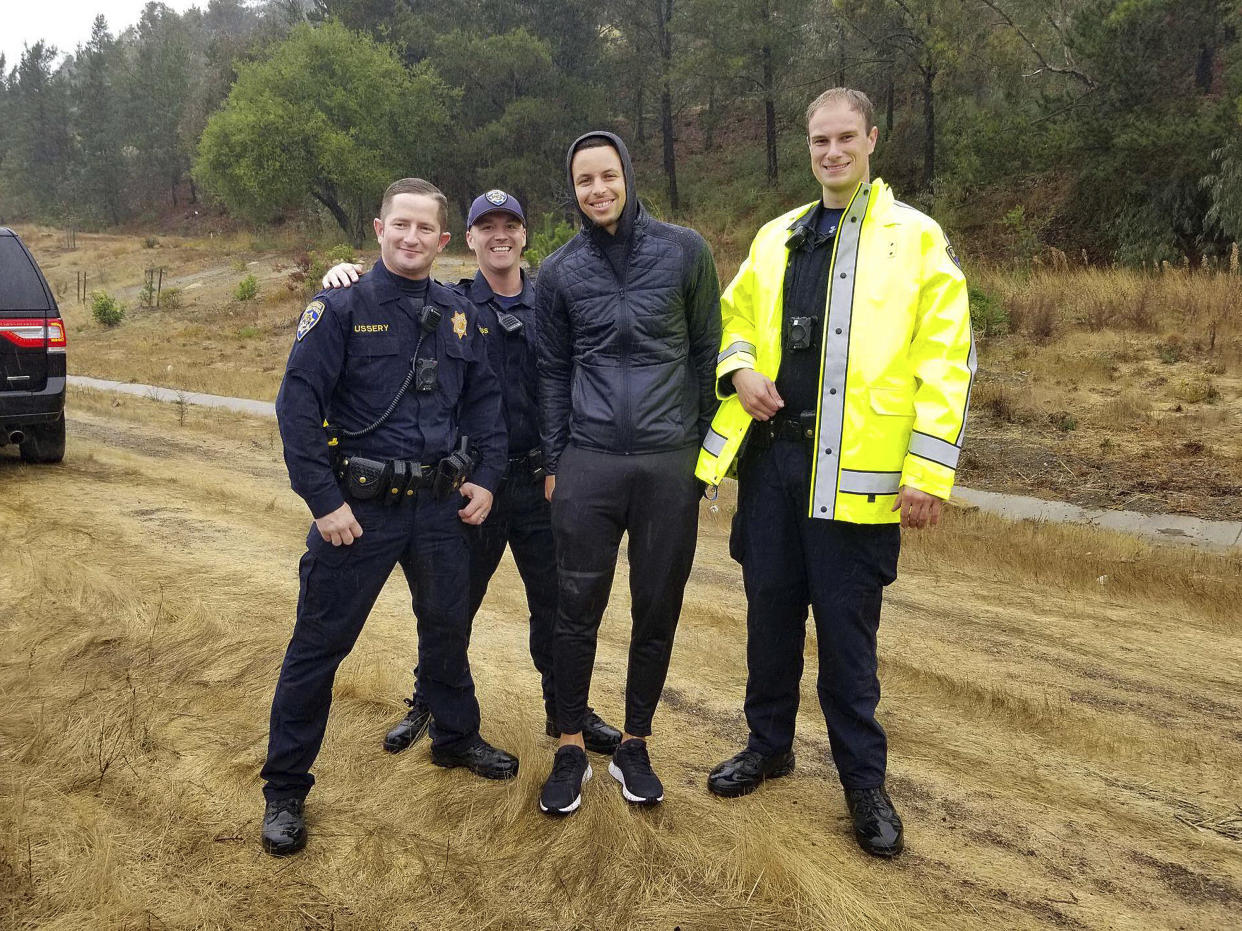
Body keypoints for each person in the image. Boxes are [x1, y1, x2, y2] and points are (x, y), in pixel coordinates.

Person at [695, 88, 974, 858]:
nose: (832, 152)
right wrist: (741, 369)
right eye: (820, 140)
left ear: (873, 139)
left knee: (849, 640)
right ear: (808, 146)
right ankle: (768, 745)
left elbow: (946, 361)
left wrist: (928, 470)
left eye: (846, 137)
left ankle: (863, 784)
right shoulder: (777, 235)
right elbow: (734, 319)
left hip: (856, 479)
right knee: (769, 616)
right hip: (775, 463)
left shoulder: (915, 240)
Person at [260, 178, 517, 858]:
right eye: (398, 224)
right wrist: (324, 501)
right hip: (358, 511)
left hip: (439, 508)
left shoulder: (459, 313)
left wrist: (487, 477)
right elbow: (297, 409)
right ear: (378, 228)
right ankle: (285, 788)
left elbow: (486, 400)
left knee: (446, 629)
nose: (409, 237)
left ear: (440, 238)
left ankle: (455, 736)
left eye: (422, 228)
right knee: (318, 648)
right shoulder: (340, 306)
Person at [320, 190, 622, 757]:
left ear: (526, 235)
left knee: (556, 608)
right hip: (469, 487)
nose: (499, 235)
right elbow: (389, 294)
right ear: (468, 239)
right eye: (487, 226)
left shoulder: (553, 307)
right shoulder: (454, 306)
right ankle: (429, 704)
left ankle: (568, 715)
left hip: (541, 483)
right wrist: (343, 274)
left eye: (511, 224)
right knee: (448, 608)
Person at [535, 132, 721, 816]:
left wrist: (703, 459)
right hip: (587, 461)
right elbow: (551, 372)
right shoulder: (558, 273)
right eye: (584, 180)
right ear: (574, 190)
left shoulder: (685, 252)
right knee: (573, 608)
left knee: (656, 607)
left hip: (669, 463)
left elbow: (708, 355)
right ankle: (568, 745)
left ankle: (636, 742)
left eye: (607, 175)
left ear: (628, 176)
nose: (597, 190)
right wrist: (553, 462)